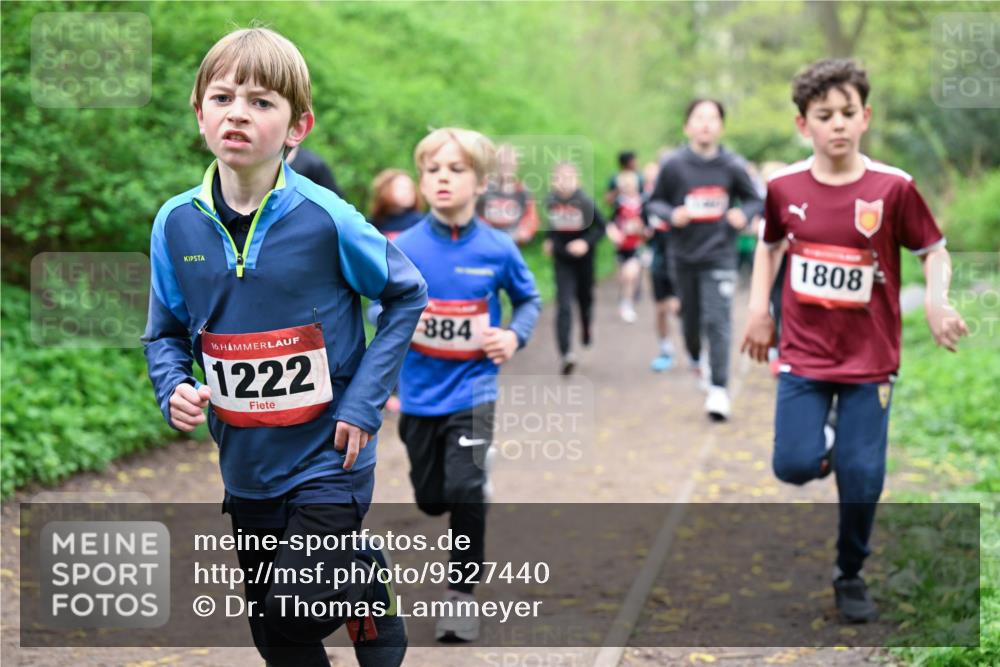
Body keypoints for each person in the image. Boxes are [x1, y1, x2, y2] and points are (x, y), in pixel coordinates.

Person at [141, 27, 427, 666]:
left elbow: (407, 294)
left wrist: (362, 402)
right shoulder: (176, 222)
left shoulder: (328, 219)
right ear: (199, 112)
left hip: (331, 456)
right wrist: (173, 385)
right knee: (279, 642)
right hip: (246, 463)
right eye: (222, 97)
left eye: (262, 102)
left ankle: (363, 591)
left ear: (298, 127)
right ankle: (356, 585)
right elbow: (163, 332)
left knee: (295, 613)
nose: (237, 112)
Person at [741, 58, 968, 623]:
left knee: (862, 477)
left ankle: (850, 571)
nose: (837, 124)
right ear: (804, 125)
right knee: (792, 465)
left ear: (865, 117)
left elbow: (933, 251)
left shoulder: (894, 187)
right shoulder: (783, 187)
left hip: (870, 358)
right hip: (805, 353)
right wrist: (756, 312)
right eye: (825, 115)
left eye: (847, 113)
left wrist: (936, 302)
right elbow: (769, 247)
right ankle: (825, 452)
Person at [393, 128, 541, 642]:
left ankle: (460, 596)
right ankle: (469, 478)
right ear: (421, 180)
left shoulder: (497, 248)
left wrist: (512, 336)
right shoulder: (402, 247)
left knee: (465, 488)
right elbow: (376, 303)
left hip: (474, 390)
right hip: (419, 395)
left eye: (456, 171)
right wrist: (398, 323)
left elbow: (529, 300)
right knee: (433, 499)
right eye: (433, 170)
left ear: (480, 183)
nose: (443, 180)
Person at [646, 99, 763, 420]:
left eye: (713, 118)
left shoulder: (732, 165)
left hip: (720, 254)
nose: (706, 124)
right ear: (688, 126)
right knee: (691, 321)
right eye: (699, 118)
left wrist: (744, 213)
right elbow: (653, 204)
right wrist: (673, 214)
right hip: (683, 255)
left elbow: (755, 199)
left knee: (719, 320)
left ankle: (719, 389)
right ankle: (697, 356)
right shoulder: (674, 165)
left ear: (721, 126)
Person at [543, 161, 607, 375]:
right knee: (564, 305)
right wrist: (549, 239)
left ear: (577, 181)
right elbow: (551, 227)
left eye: (569, 178)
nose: (565, 183)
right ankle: (566, 354)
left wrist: (585, 243)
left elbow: (602, 227)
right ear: (554, 181)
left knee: (584, 301)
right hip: (562, 261)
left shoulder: (584, 201)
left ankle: (587, 328)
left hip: (584, 261)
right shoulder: (550, 202)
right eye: (560, 178)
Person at [643, 160, 680, 372]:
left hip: (679, 259)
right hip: (658, 259)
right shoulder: (646, 203)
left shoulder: (677, 199)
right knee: (660, 308)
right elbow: (640, 229)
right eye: (649, 180)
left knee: (678, 307)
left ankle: (698, 354)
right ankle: (665, 350)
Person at [475, 143, 539, 244]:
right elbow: (473, 214)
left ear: (516, 165)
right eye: (502, 164)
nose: (506, 167)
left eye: (510, 164)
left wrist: (525, 231)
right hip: (485, 241)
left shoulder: (523, 191)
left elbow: (531, 217)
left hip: (513, 242)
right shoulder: (484, 188)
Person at [607, 170, 647, 323]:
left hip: (636, 245)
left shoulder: (643, 203)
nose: (628, 188)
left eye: (631, 185)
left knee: (630, 275)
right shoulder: (619, 203)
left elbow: (648, 226)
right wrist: (614, 234)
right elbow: (610, 223)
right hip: (622, 246)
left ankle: (627, 304)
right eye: (625, 185)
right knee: (623, 277)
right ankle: (624, 298)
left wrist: (641, 229)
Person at [369, 168, 423, 241]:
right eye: (401, 188)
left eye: (410, 188)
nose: (407, 192)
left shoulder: (420, 223)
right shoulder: (373, 225)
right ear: (385, 189)